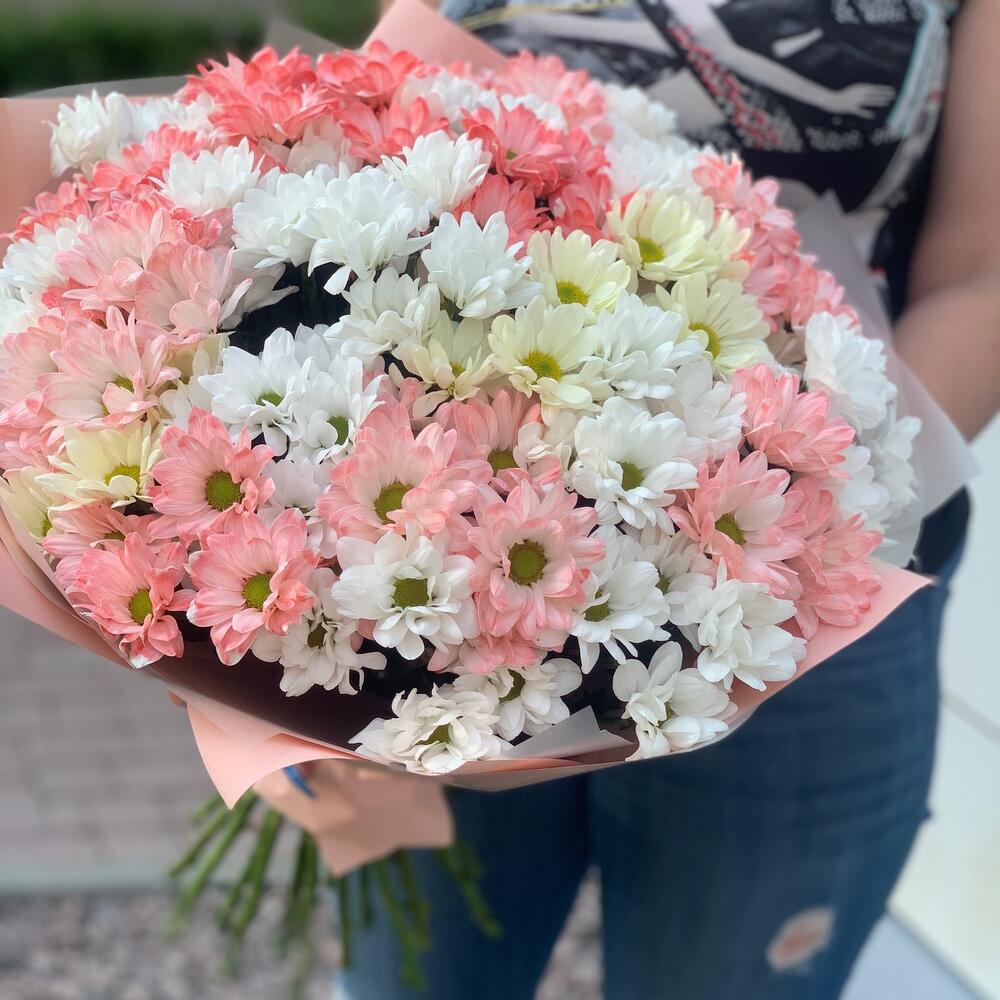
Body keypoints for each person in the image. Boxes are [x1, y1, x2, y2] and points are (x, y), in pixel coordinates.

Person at [340, 2, 998, 997]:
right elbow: (369, 136)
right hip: (444, 590)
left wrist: (804, 532)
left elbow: (984, 276)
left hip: (805, 606)